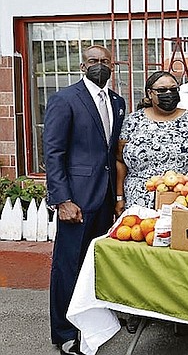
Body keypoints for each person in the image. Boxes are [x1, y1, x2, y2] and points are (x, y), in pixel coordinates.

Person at [43, 45, 126, 355]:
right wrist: (62, 199)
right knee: (67, 266)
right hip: (76, 200)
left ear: (112, 66)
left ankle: (94, 322)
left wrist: (117, 197)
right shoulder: (65, 99)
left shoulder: (117, 101)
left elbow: (112, 154)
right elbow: (53, 153)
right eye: (94, 61)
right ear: (82, 65)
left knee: (96, 265)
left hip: (104, 199)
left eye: (105, 61)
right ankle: (64, 332)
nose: (100, 65)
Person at [117, 71, 188, 209]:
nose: (168, 93)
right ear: (149, 93)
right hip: (139, 202)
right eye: (162, 90)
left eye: (173, 89)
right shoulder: (132, 122)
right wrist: (119, 198)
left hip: (184, 199)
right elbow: (119, 159)